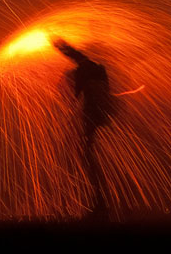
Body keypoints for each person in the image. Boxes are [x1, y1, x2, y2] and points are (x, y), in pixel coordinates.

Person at [53, 38, 114, 219]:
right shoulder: (98, 68)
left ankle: (99, 204)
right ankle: (99, 203)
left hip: (92, 118)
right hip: (99, 117)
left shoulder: (83, 70)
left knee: (87, 159)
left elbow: (75, 97)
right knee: (88, 158)